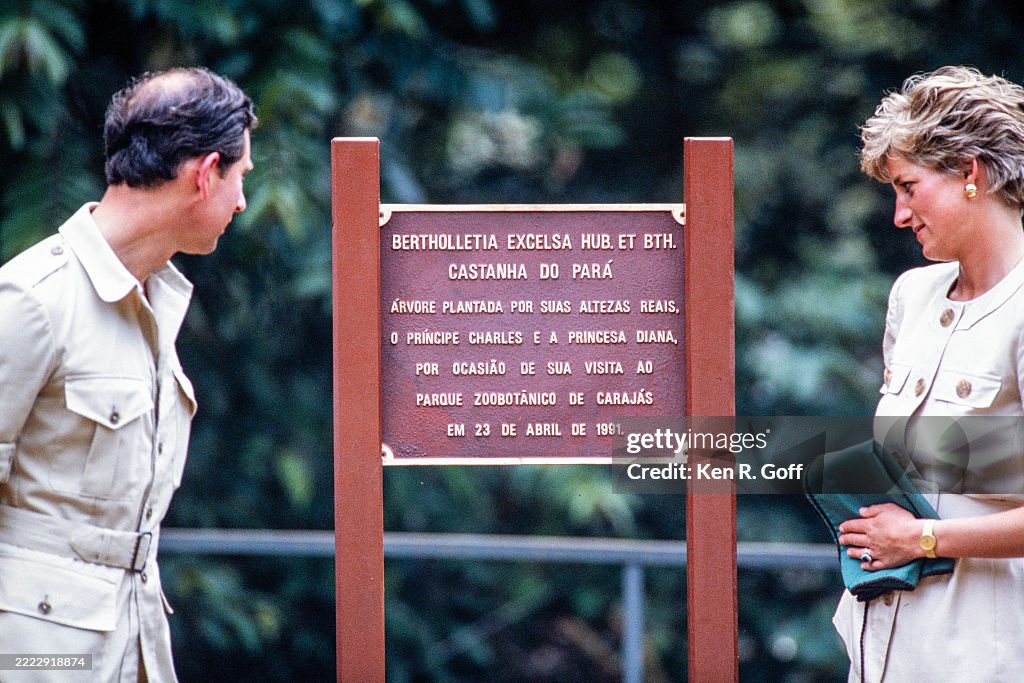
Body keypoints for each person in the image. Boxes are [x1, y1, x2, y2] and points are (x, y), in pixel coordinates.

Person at [0, 67, 255, 682]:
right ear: (204, 173)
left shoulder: (156, 298)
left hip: (133, 633)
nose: (242, 201)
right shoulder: (33, 299)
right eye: (240, 177)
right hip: (35, 654)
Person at [833, 65, 1024, 681]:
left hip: (984, 652)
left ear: (971, 173)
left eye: (909, 187)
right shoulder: (912, 296)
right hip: (880, 646)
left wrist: (921, 541)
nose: (899, 214)